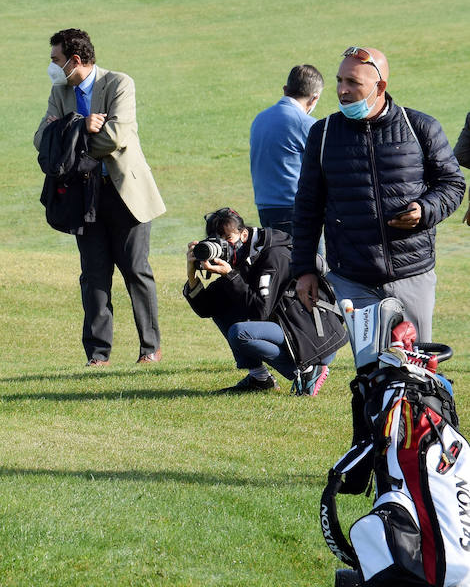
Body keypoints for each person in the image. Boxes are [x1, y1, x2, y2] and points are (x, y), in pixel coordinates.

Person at [292, 46, 465, 343]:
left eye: (353, 83)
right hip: (352, 279)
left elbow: (453, 184)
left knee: (415, 367)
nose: (342, 90)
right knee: (371, 373)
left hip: (412, 274)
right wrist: (305, 269)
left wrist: (425, 210)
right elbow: (308, 206)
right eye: (339, 81)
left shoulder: (421, 127)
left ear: (380, 86)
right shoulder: (323, 134)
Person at [34, 28, 166, 366]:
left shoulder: (119, 83)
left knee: (136, 270)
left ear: (75, 61)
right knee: (93, 275)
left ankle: (149, 348)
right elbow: (40, 139)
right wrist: (81, 125)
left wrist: (68, 134)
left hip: (125, 194)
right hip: (84, 197)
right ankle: (97, 354)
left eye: (56, 60)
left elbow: (116, 135)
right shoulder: (59, 90)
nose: (51, 66)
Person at [183, 207, 327, 395]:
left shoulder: (272, 253)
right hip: (287, 325)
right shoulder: (239, 255)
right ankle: (260, 379)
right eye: (217, 241)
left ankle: (308, 371)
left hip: (313, 333)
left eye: (228, 239)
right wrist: (192, 274)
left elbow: (261, 311)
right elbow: (206, 308)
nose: (223, 245)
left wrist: (231, 276)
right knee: (223, 306)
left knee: (240, 333)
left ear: (243, 234)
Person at [249, 64, 323, 234]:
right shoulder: (306, 123)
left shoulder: (260, 119)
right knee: (309, 260)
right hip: (295, 209)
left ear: (285, 89)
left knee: (277, 260)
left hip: (264, 207)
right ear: (314, 98)